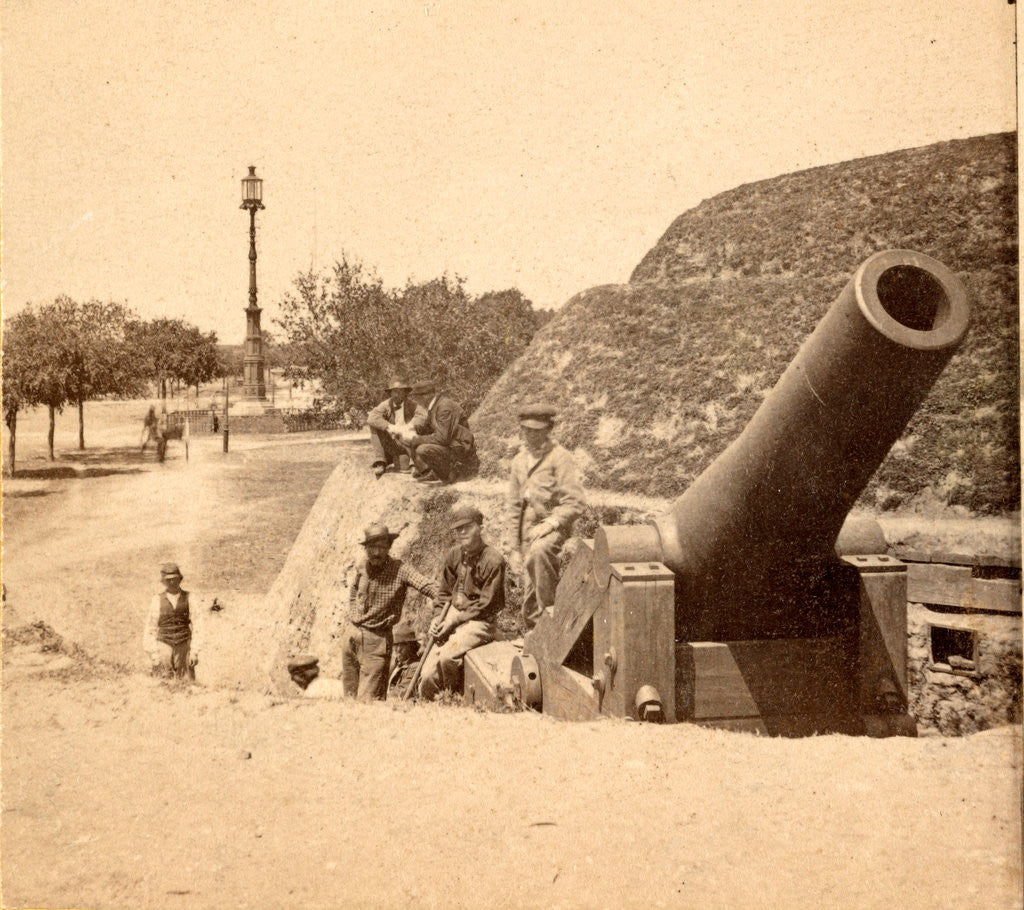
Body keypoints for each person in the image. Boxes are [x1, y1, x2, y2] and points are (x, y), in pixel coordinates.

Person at [507, 404, 586, 632]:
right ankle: (533, 632)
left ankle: (551, 620)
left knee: (540, 552)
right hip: (527, 532)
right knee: (529, 587)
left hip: (553, 529)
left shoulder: (560, 458)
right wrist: (513, 547)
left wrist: (551, 523)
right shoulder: (519, 462)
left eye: (537, 430)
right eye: (526, 430)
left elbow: (576, 502)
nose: (531, 435)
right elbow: (513, 507)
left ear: (548, 430)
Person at [343, 522, 438, 700]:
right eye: (372, 547)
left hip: (376, 641)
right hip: (351, 637)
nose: (376, 553)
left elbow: (430, 588)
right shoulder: (362, 566)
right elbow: (354, 591)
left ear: (389, 547)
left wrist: (439, 614)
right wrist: (353, 613)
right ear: (366, 548)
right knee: (348, 698)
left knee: (368, 703)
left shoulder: (400, 570)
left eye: (381, 547)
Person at [419, 505, 504, 700]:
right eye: (459, 529)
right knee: (426, 676)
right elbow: (444, 593)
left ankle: (454, 698)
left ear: (480, 528)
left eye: (468, 527)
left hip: (480, 621)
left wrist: (454, 620)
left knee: (449, 656)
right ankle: (432, 708)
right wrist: (437, 618)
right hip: (451, 616)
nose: (462, 532)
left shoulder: (494, 560)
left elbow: (487, 605)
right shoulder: (453, 555)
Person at [406, 380, 479, 484]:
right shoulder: (435, 405)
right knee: (411, 438)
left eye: (416, 397)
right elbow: (428, 429)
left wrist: (418, 440)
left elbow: (443, 438)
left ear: (427, 395)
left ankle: (451, 475)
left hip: (460, 447)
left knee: (423, 449)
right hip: (451, 444)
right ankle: (436, 472)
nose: (415, 400)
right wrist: (410, 430)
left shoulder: (444, 407)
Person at [143, 562, 202, 679]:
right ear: (163, 582)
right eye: (168, 580)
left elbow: (199, 625)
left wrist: (194, 651)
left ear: (180, 579)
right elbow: (150, 627)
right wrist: (154, 655)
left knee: (186, 685)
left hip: (184, 645)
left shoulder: (190, 598)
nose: (172, 582)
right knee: (163, 683)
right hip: (163, 645)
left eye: (174, 579)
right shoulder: (156, 600)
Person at [366, 377, 426, 478]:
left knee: (419, 430)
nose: (396, 395)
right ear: (390, 393)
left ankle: (415, 464)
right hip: (392, 442)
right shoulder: (385, 405)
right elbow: (372, 417)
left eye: (399, 391)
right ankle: (380, 462)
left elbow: (423, 415)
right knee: (374, 427)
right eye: (394, 392)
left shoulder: (412, 404)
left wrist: (409, 427)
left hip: (408, 442)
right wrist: (390, 427)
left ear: (405, 393)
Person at [386, 622, 421, 699]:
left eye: (403, 645)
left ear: (412, 646)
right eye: (395, 644)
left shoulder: (415, 667)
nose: (398, 649)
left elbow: (401, 692)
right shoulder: (396, 664)